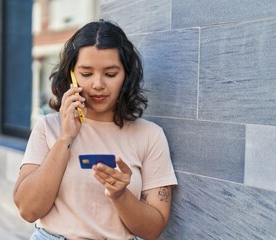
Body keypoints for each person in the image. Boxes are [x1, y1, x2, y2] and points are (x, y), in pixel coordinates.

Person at [13, 19, 178, 240]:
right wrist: (65, 139)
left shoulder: (150, 135)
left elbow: (153, 230)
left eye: (110, 74)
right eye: (87, 73)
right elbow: (28, 210)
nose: (98, 84)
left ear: (126, 77)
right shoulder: (48, 127)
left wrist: (120, 195)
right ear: (71, 75)